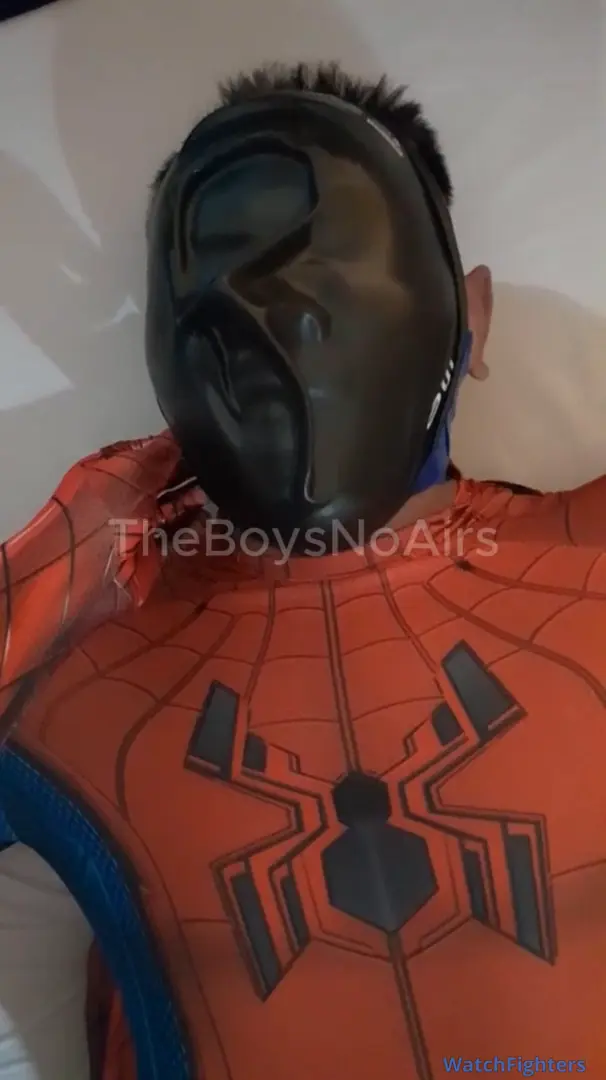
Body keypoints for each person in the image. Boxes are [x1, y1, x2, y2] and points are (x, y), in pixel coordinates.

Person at [0, 61, 604, 1080]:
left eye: (329, 274)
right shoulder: (82, 659)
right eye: (219, 300)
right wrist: (59, 556)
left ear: (471, 316)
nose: (277, 323)